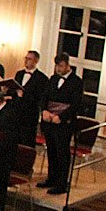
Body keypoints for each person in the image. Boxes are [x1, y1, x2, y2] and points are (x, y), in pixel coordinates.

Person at [38, 52, 83, 195]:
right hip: (49, 121)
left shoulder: (77, 81)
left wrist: (61, 117)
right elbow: (44, 97)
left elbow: (76, 104)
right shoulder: (53, 79)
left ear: (68, 65)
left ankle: (62, 183)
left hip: (64, 123)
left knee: (62, 152)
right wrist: (44, 110)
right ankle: (51, 178)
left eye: (61, 66)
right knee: (51, 150)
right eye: (57, 66)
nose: (58, 69)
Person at [10, 50, 48, 147]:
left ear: (36, 61)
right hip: (15, 113)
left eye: (29, 59)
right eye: (26, 58)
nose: (26, 60)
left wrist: (24, 95)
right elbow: (13, 92)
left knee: (26, 142)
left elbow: (40, 98)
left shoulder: (42, 78)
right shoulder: (19, 74)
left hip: (29, 116)